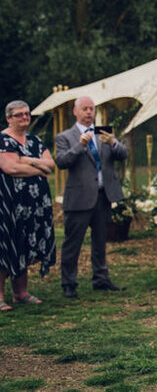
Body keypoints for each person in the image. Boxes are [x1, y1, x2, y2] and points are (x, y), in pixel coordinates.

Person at [55, 96, 128, 297]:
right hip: (79, 198)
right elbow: (61, 162)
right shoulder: (65, 136)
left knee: (100, 241)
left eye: (91, 109)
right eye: (85, 109)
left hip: (103, 196)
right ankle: (68, 283)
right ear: (75, 112)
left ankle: (101, 278)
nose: (89, 112)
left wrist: (114, 143)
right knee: (73, 243)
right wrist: (79, 145)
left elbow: (123, 155)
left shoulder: (103, 133)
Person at [0, 101, 56, 310]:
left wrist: (26, 160)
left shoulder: (34, 140)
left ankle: (20, 293)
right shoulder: (3, 140)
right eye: (19, 115)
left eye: (27, 114)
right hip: (9, 204)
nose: (24, 118)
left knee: (24, 245)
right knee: (6, 246)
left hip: (34, 205)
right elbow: (10, 168)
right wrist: (38, 166)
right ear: (8, 118)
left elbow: (50, 164)